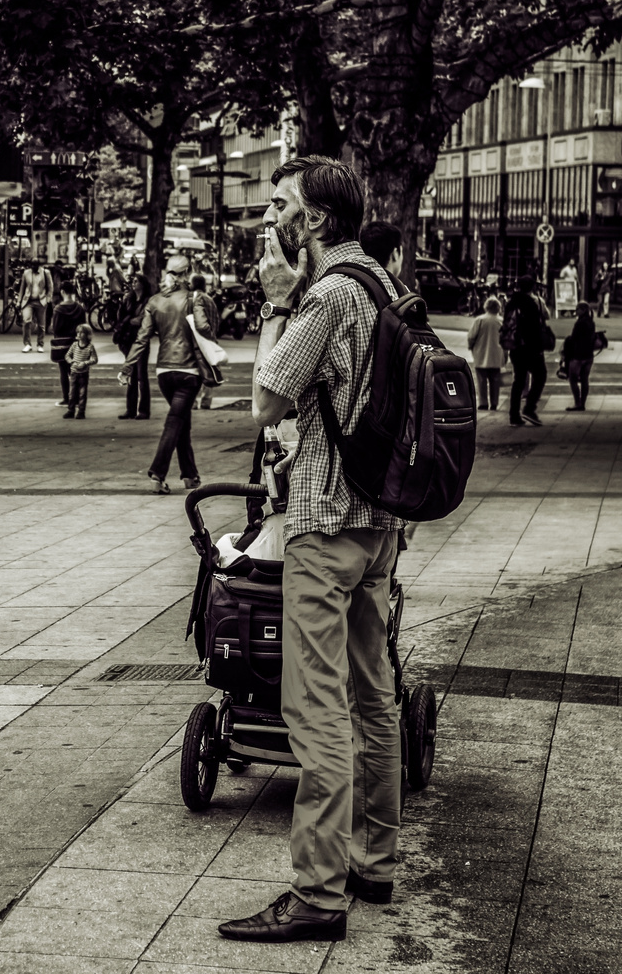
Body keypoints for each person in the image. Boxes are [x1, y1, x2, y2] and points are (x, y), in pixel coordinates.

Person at [218, 156, 403, 944]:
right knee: (373, 692)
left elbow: (267, 400)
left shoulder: (326, 293)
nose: (270, 220)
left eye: (279, 206)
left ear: (315, 222)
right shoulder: (385, 283)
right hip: (380, 522)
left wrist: (275, 301)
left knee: (314, 707)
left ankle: (319, 894)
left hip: (325, 525)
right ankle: (376, 860)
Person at [121, 254, 203, 494]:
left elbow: (142, 338)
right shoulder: (191, 299)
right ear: (187, 272)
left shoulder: (154, 301)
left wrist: (127, 366)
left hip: (164, 373)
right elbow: (205, 328)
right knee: (176, 421)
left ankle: (190, 475)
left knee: (181, 421)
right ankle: (158, 472)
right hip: (189, 371)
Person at [502, 275, 550, 427]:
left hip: (515, 346)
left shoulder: (511, 303)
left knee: (519, 380)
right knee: (540, 375)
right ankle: (529, 408)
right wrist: (539, 348)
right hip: (531, 347)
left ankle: (514, 415)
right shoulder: (532, 303)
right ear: (532, 287)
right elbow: (534, 328)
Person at [115, 273, 151, 420]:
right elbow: (121, 317)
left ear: (143, 284)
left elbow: (143, 320)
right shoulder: (129, 299)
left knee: (142, 375)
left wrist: (132, 320)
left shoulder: (148, 301)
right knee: (131, 375)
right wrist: (123, 304)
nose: (134, 283)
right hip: (128, 340)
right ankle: (130, 409)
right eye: (133, 281)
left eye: (137, 281)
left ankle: (143, 410)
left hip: (140, 340)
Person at [51, 282, 87, 409]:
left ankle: (67, 398)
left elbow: (55, 329)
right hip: (77, 344)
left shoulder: (58, 309)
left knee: (63, 372)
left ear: (62, 292)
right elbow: (84, 327)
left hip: (63, 346)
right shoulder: (80, 308)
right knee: (76, 371)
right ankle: (77, 398)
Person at [467, 296, 506, 410]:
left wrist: (471, 346)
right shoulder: (501, 321)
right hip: (496, 355)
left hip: (481, 353)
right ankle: (494, 402)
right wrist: (505, 355)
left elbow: (471, 336)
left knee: (481, 381)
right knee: (495, 381)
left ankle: (483, 402)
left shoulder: (480, 320)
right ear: (498, 307)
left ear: (486, 307)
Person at [189, 272, 220, 409]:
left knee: (194, 372)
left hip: (197, 341)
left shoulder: (195, 299)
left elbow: (199, 324)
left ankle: (193, 402)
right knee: (208, 371)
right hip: (211, 340)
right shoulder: (209, 299)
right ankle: (206, 402)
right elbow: (217, 321)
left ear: (193, 284)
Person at [565, 301, 596, 412]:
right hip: (589, 355)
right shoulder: (591, 322)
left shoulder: (579, 323)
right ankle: (582, 403)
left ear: (582, 310)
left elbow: (574, 338)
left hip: (578, 355)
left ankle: (577, 403)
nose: (576, 311)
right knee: (584, 379)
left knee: (573, 379)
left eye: (577, 309)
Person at [18, 259, 53, 353]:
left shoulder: (45, 273)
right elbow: (22, 288)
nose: (33, 267)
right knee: (26, 321)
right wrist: (19, 301)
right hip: (28, 301)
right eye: (32, 265)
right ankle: (27, 344)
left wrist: (48, 300)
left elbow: (50, 287)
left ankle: (40, 344)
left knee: (41, 325)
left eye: (35, 265)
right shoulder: (26, 273)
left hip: (41, 301)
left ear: (39, 265)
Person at [63, 323, 97, 419]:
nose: (78, 334)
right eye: (78, 332)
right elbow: (67, 356)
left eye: (81, 332)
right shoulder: (74, 345)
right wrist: (72, 362)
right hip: (74, 372)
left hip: (83, 374)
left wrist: (85, 363)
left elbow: (94, 359)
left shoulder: (90, 347)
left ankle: (81, 411)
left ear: (87, 335)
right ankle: (71, 410)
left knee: (82, 393)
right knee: (72, 393)